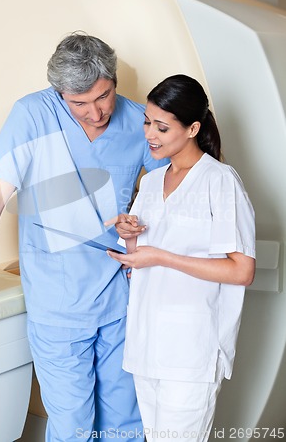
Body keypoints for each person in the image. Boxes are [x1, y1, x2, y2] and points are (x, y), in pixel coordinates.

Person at [0, 32, 169, 441]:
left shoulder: (138, 120)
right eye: (79, 103)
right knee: (73, 427)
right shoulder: (31, 115)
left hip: (120, 298)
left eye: (104, 96)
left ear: (115, 81)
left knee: (125, 423)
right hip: (59, 303)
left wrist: (146, 252)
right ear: (59, 93)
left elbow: (174, 192)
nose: (95, 113)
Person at [106, 74, 256, 442]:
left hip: (190, 351)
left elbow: (242, 270)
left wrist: (162, 257)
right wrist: (130, 238)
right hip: (146, 344)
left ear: (192, 128)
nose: (149, 135)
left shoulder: (219, 181)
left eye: (161, 126)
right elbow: (139, 260)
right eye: (147, 122)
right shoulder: (153, 182)